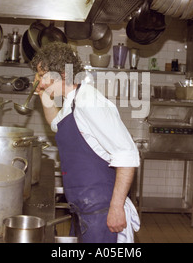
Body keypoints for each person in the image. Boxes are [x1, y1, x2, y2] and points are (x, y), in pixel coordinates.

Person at [30, 42, 140, 243]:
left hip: (102, 211)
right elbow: (56, 123)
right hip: (84, 208)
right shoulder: (73, 101)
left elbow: (127, 155)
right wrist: (43, 95)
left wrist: (116, 209)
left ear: (62, 73)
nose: (39, 81)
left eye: (43, 76)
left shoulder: (88, 101)